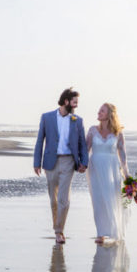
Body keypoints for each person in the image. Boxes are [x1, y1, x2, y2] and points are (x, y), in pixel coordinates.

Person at [34, 88, 88, 244]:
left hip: (68, 162)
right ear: (66, 101)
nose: (76, 105)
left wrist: (84, 162)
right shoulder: (47, 117)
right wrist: (36, 162)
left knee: (64, 199)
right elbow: (40, 141)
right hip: (50, 162)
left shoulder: (77, 121)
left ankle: (59, 231)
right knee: (54, 200)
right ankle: (57, 226)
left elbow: (82, 144)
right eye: (74, 102)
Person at [86, 103, 129, 244]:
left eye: (102, 111)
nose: (98, 112)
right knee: (98, 199)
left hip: (112, 169)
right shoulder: (92, 130)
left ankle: (114, 231)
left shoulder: (118, 132)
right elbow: (85, 150)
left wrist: (127, 175)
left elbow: (122, 155)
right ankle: (101, 233)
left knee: (112, 198)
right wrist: (80, 164)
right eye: (99, 110)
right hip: (95, 169)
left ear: (109, 114)